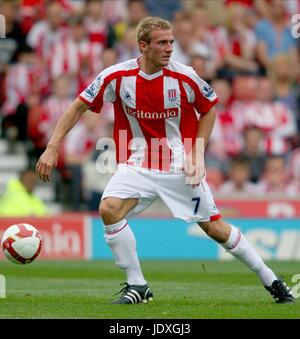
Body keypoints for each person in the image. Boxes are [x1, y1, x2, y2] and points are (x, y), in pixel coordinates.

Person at [36, 16, 295, 305]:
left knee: (214, 228)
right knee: (109, 209)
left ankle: (271, 279)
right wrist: (53, 146)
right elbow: (78, 106)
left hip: (178, 165)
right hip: (138, 162)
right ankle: (138, 286)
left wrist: (197, 153)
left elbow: (208, 108)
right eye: (162, 43)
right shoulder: (117, 76)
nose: (169, 48)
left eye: (171, 42)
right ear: (143, 46)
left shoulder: (184, 76)